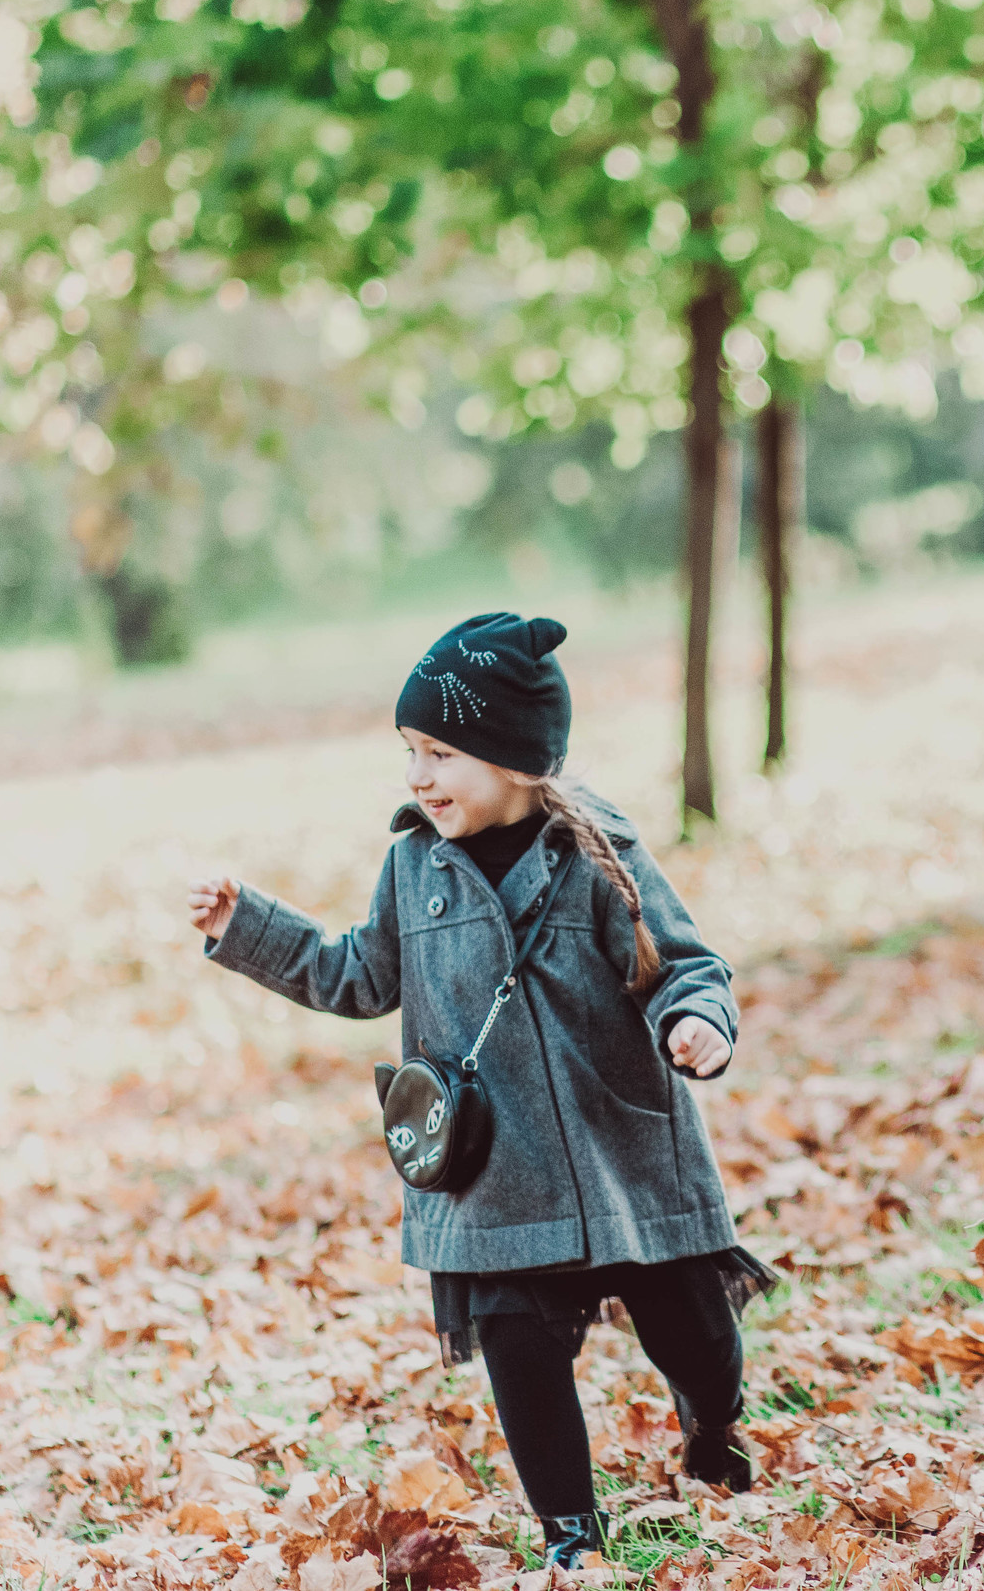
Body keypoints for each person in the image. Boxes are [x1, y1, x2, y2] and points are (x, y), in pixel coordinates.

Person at [186, 612, 775, 1569]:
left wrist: (695, 1018)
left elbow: (682, 962)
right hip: (496, 1171)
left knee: (696, 1333)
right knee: (522, 1353)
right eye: (410, 750)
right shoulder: (414, 863)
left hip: (620, 1153)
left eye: (442, 751)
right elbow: (356, 975)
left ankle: (712, 1425)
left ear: (514, 758)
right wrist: (247, 926)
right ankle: (572, 1538)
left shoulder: (595, 853)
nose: (419, 775)